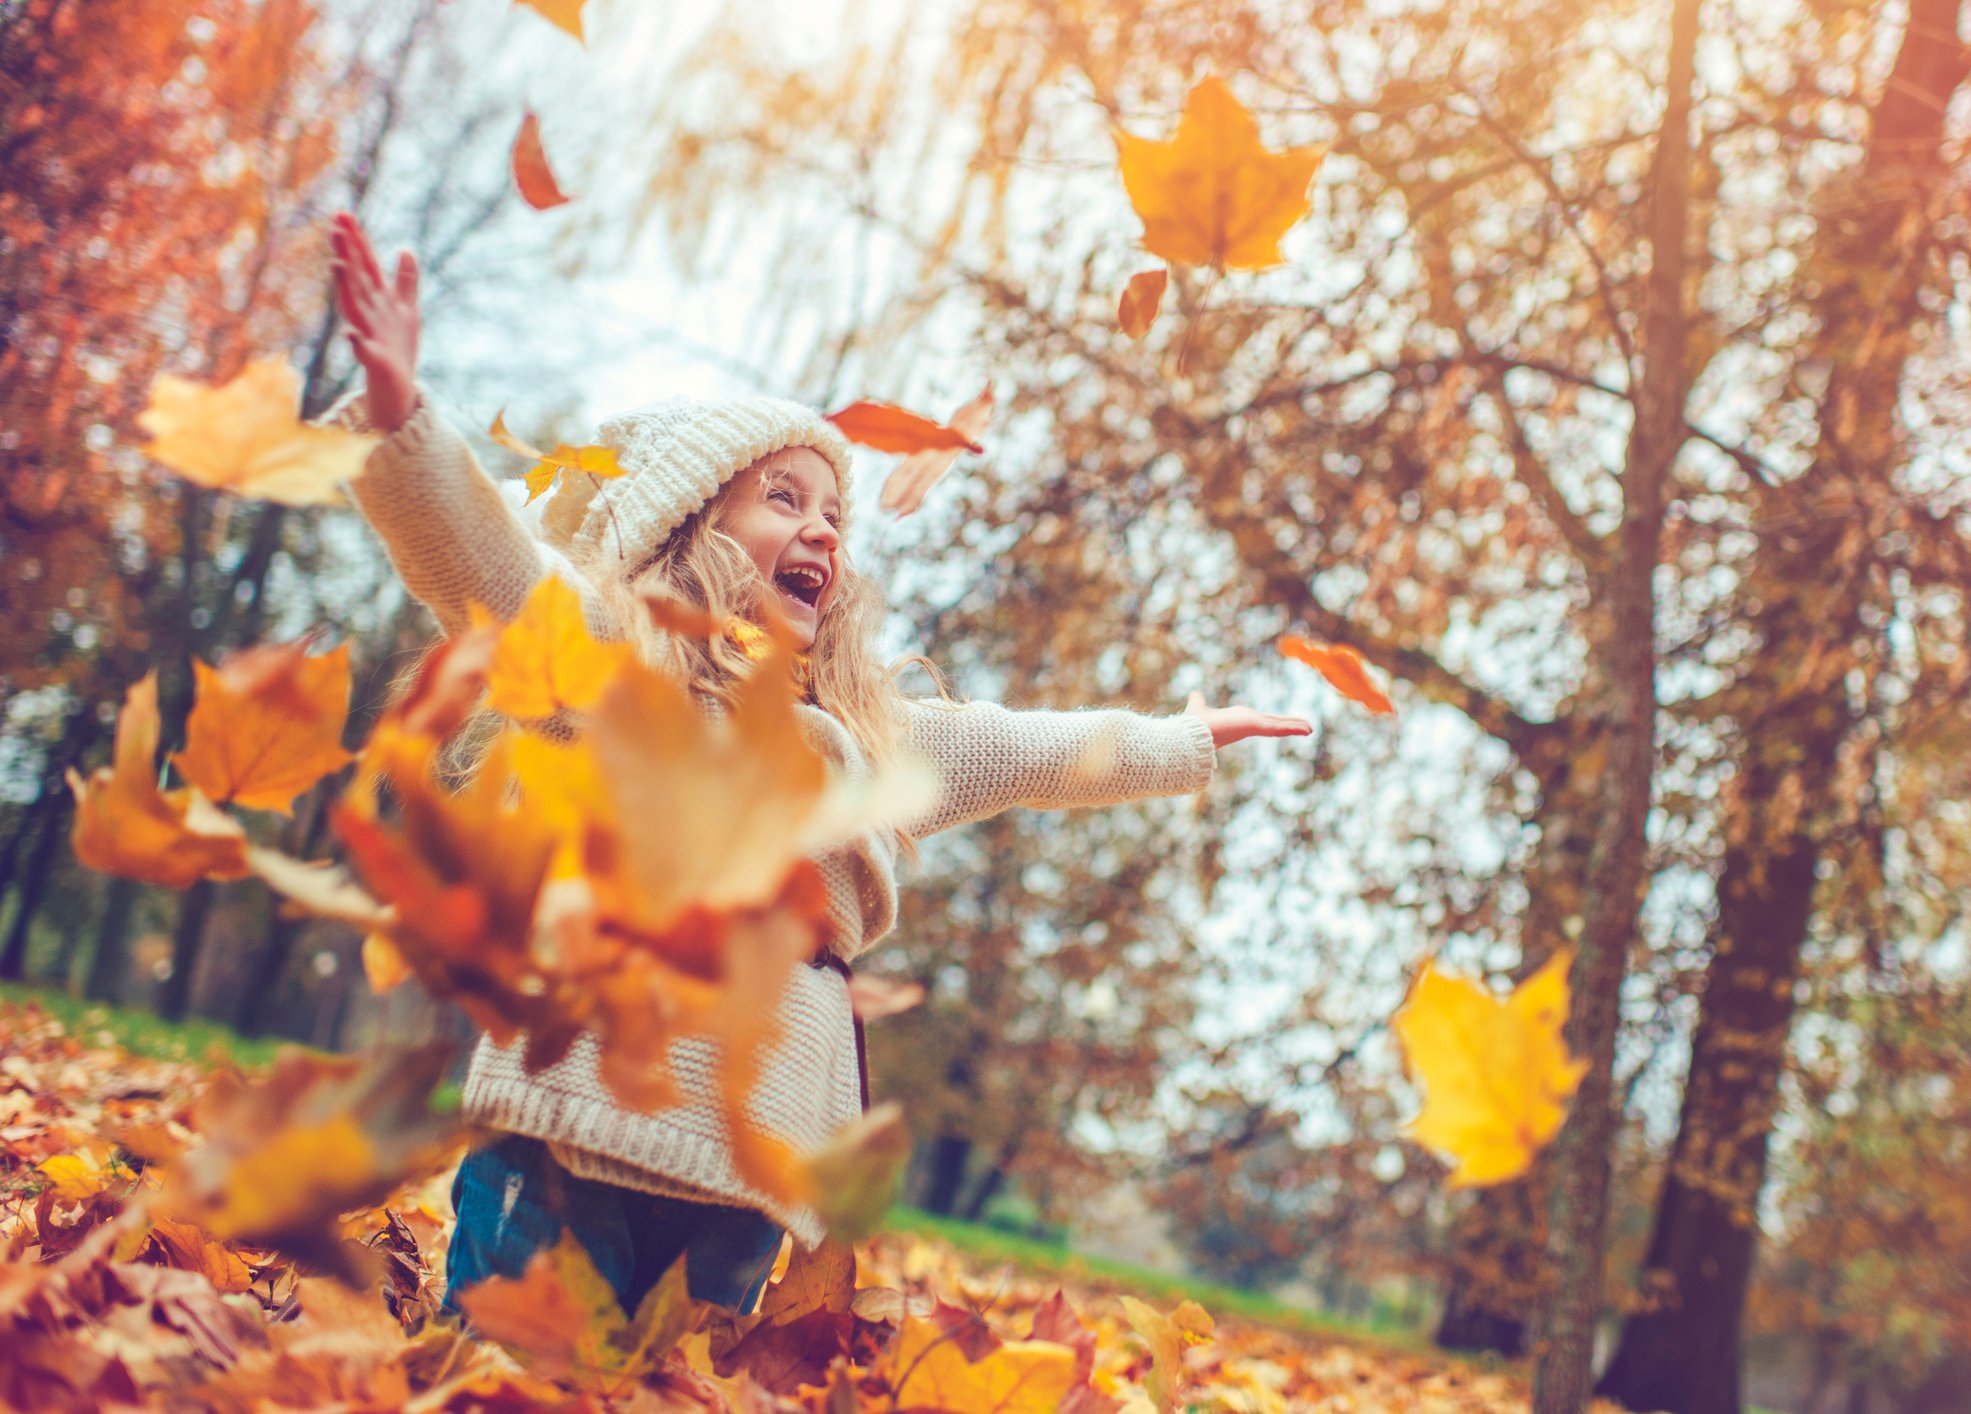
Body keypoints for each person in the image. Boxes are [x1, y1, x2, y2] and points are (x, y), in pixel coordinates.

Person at [325, 212, 1312, 1317]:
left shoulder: (867, 740)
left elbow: (1036, 749)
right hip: (574, 1132)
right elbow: (488, 566)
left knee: (685, 1391)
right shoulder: (616, 678)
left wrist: (1179, 741)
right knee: (508, 1377)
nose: (824, 532)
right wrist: (397, 414)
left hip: (753, 1168)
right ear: (689, 531)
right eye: (784, 498)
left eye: (836, 514)